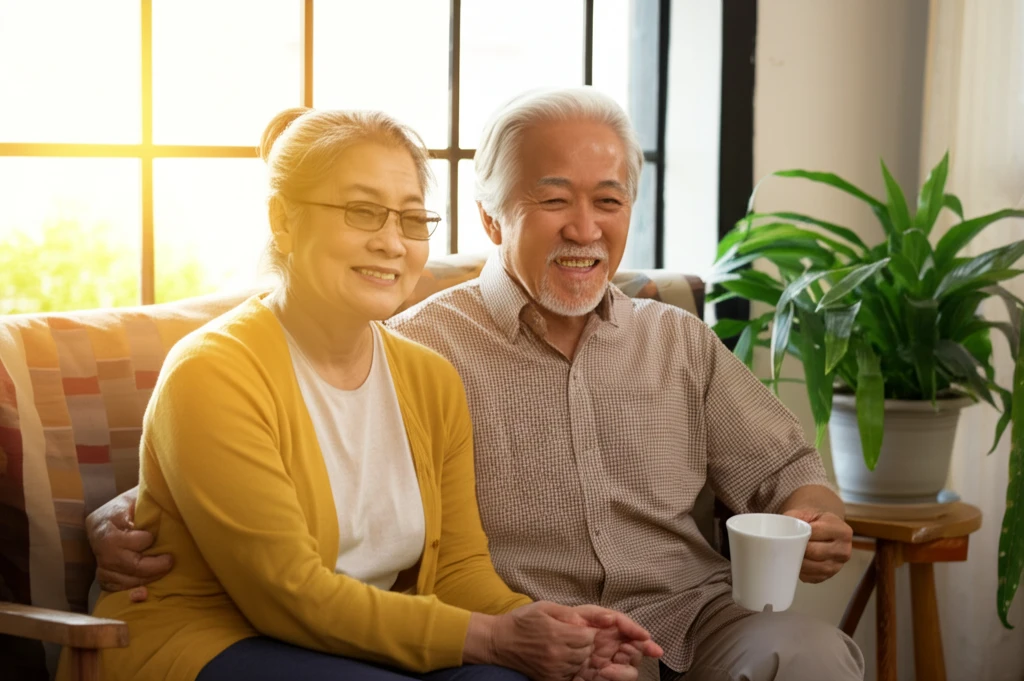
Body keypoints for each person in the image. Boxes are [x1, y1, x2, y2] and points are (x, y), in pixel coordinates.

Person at [87, 89, 865, 681]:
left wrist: (815, 513)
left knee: (811, 658)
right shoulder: (420, 342)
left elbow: (788, 471)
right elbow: (262, 476)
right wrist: (126, 507)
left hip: (684, 613)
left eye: (608, 200)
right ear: (491, 220)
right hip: (438, 629)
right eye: (553, 200)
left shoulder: (665, 340)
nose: (585, 228)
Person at [60, 107, 662, 681]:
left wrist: (557, 635)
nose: (392, 242)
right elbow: (288, 594)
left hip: (360, 646)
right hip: (209, 639)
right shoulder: (212, 371)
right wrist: (497, 639)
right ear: (283, 220)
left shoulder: (430, 379)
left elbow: (457, 572)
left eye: (410, 218)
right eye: (362, 212)